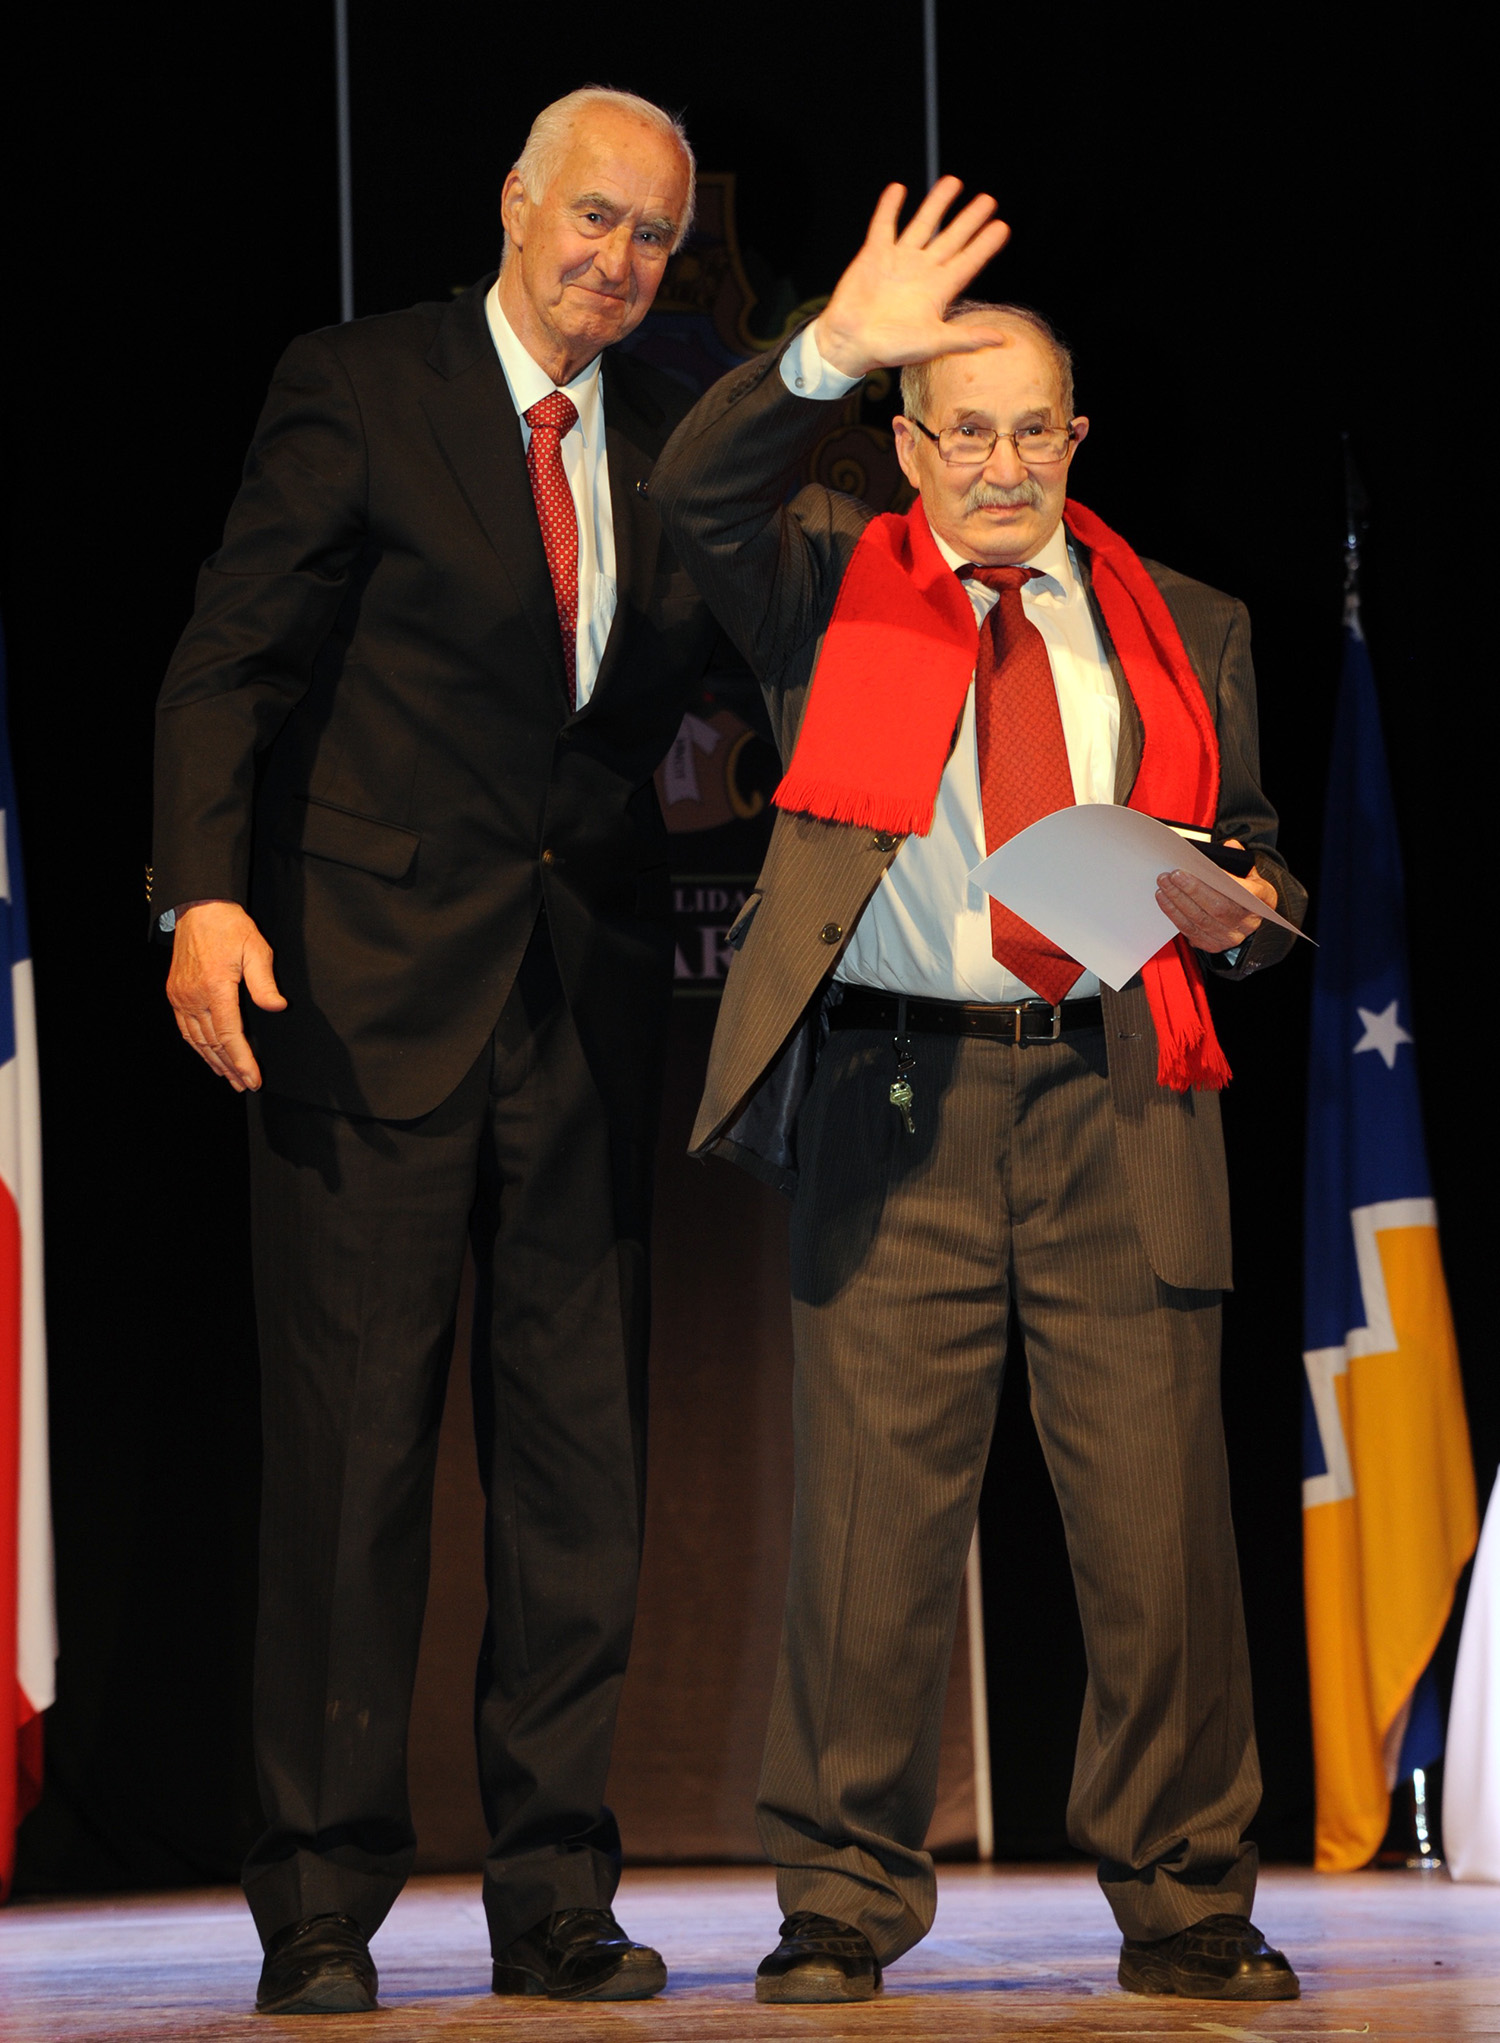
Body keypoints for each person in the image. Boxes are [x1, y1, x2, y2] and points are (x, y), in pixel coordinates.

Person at [650, 179, 1307, 2004]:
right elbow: (693, 491)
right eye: (965, 432)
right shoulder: (821, 584)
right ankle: (841, 1903)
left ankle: (1189, 1900)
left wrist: (1242, 904)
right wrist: (829, 346)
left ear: (1076, 440)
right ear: (910, 446)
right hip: (897, 1100)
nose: (1002, 466)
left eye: (1033, 432)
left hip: (1122, 1093)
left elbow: (1255, 852)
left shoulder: (1190, 620)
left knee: (1159, 1539)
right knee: (868, 1540)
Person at [152, 87, 723, 2014]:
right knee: (351, 1470)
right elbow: (230, 652)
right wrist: (199, 893)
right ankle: (319, 1902)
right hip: (362, 995)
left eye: (654, 235)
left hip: (584, 1008)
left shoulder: (671, 430)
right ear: (514, 204)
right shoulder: (362, 383)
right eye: (595, 217)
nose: (619, 260)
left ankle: (555, 1893)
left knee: (577, 1473)